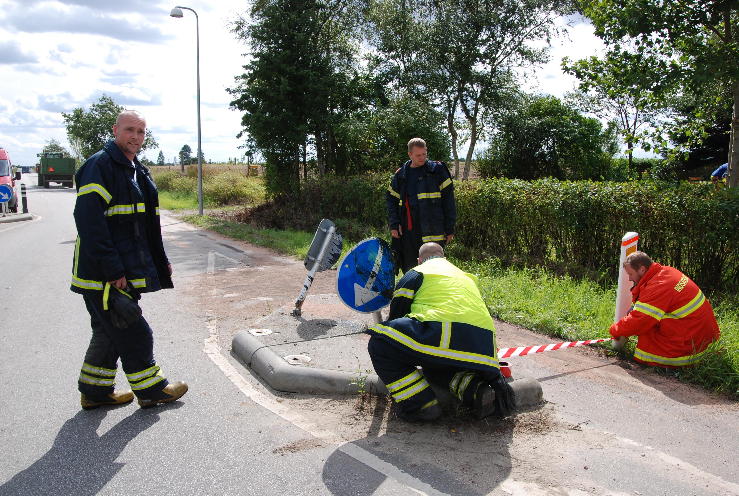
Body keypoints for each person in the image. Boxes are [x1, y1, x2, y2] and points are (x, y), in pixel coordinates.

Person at [72, 110, 188, 409]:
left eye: (141, 131)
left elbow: (147, 226)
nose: (135, 136)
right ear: (115, 130)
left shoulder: (136, 169)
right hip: (103, 275)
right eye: (129, 130)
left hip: (122, 272)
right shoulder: (100, 166)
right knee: (134, 330)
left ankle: (95, 392)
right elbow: (89, 223)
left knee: (109, 331)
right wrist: (112, 270)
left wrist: (160, 262)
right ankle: (152, 389)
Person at [366, 242, 514, 422]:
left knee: (380, 343)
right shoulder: (466, 277)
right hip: (484, 349)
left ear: (419, 260)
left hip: (442, 333)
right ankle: (477, 392)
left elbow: (397, 317)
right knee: (436, 365)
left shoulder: (417, 273)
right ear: (444, 258)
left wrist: (383, 333)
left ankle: (420, 406)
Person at [609, 251, 720, 368]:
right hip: (704, 336)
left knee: (648, 327)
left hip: (691, 344)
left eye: (631, 274)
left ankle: (653, 362)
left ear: (642, 269)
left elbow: (639, 321)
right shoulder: (666, 272)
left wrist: (615, 330)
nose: (630, 279)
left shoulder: (657, 286)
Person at [386, 138, 456, 274]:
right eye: (418, 155)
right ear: (410, 154)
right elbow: (391, 199)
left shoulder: (437, 171)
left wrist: (450, 228)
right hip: (408, 233)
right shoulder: (401, 175)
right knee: (410, 269)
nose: (422, 158)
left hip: (433, 230)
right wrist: (394, 225)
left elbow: (449, 201)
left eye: (424, 154)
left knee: (434, 270)